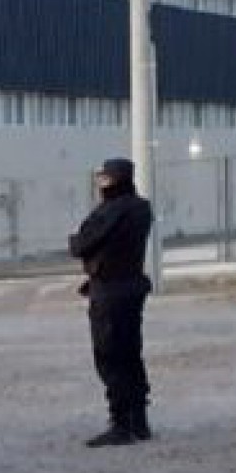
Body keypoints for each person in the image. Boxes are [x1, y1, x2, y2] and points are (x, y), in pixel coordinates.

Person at [68, 158, 157, 447]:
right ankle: (139, 420)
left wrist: (77, 240)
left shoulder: (111, 211)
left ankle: (121, 423)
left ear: (115, 180)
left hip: (110, 291)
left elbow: (81, 244)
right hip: (132, 287)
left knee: (109, 356)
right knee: (131, 354)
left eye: (105, 180)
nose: (101, 185)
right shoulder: (141, 208)